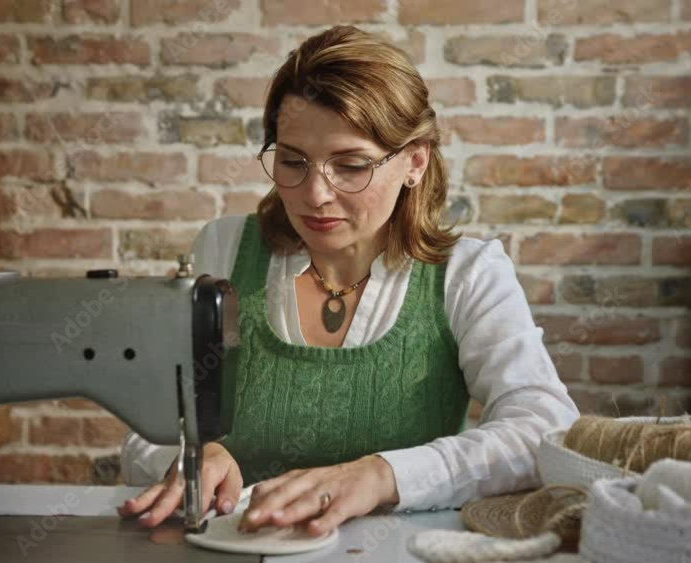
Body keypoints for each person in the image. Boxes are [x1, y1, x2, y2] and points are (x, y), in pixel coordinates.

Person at [116, 25, 579, 537]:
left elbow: (546, 429)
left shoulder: (468, 275)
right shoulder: (223, 251)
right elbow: (147, 423)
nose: (316, 193)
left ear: (415, 162)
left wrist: (382, 475)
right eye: (292, 161)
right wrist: (188, 454)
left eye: (351, 165)